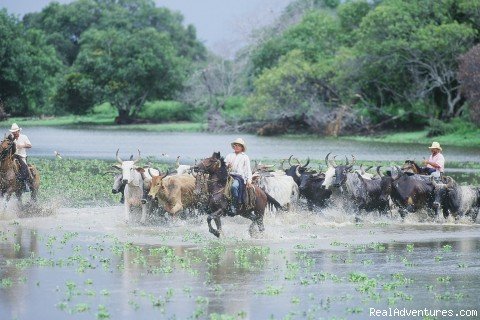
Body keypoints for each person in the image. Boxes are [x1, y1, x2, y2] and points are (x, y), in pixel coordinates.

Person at [225, 138, 253, 214]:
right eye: (235, 145)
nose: (236, 147)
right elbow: (223, 167)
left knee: (234, 187)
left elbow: (248, 170)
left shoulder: (245, 157)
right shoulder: (229, 155)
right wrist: (227, 166)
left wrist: (249, 180)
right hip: (229, 176)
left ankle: (235, 204)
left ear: (242, 147)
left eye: (239, 146)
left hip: (239, 177)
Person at [8, 123, 33, 192]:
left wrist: (22, 146)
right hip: (13, 156)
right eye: (13, 132)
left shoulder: (24, 137)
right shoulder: (11, 138)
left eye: (16, 131)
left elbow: (30, 145)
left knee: (24, 167)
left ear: (18, 131)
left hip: (22, 156)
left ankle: (26, 183)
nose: (14, 133)